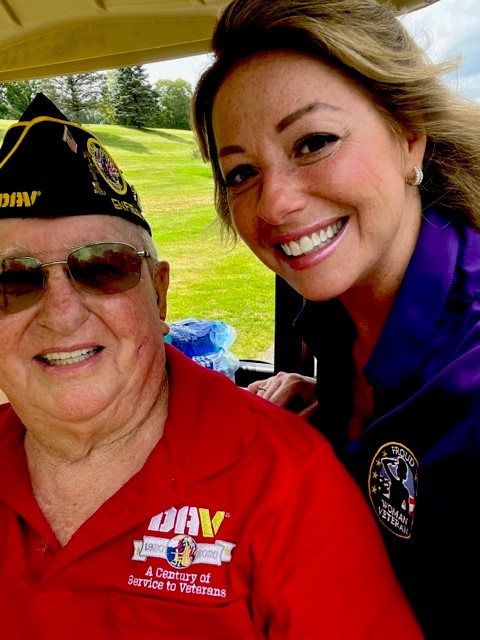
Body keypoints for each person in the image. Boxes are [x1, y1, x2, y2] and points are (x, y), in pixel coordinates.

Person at [0, 93, 422, 639]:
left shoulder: (288, 485)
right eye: (13, 280)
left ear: (159, 296)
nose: (61, 314)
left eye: (102, 268)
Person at [191, 0, 480, 636]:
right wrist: (330, 419)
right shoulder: (334, 310)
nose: (275, 203)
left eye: (314, 143)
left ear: (409, 135)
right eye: (241, 172)